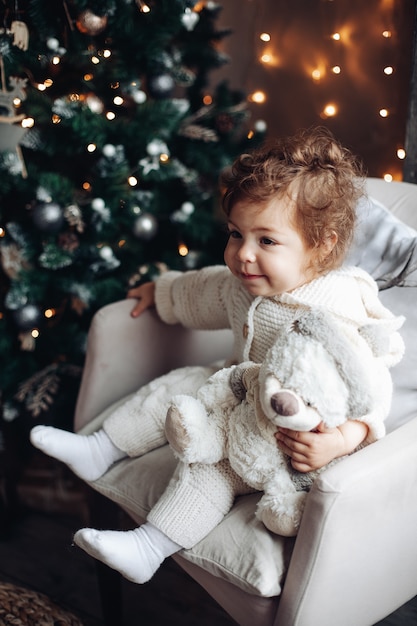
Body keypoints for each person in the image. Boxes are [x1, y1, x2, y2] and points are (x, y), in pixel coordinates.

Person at [30, 126, 404, 585]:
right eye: (235, 234)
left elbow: (373, 389)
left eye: (266, 241)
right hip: (234, 391)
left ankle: (149, 546)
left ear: (322, 244)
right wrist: (160, 291)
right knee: (182, 383)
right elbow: (201, 290)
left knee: (212, 469)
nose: (243, 254)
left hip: (281, 439)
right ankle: (101, 448)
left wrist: (345, 438)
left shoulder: (337, 311)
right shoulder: (243, 284)